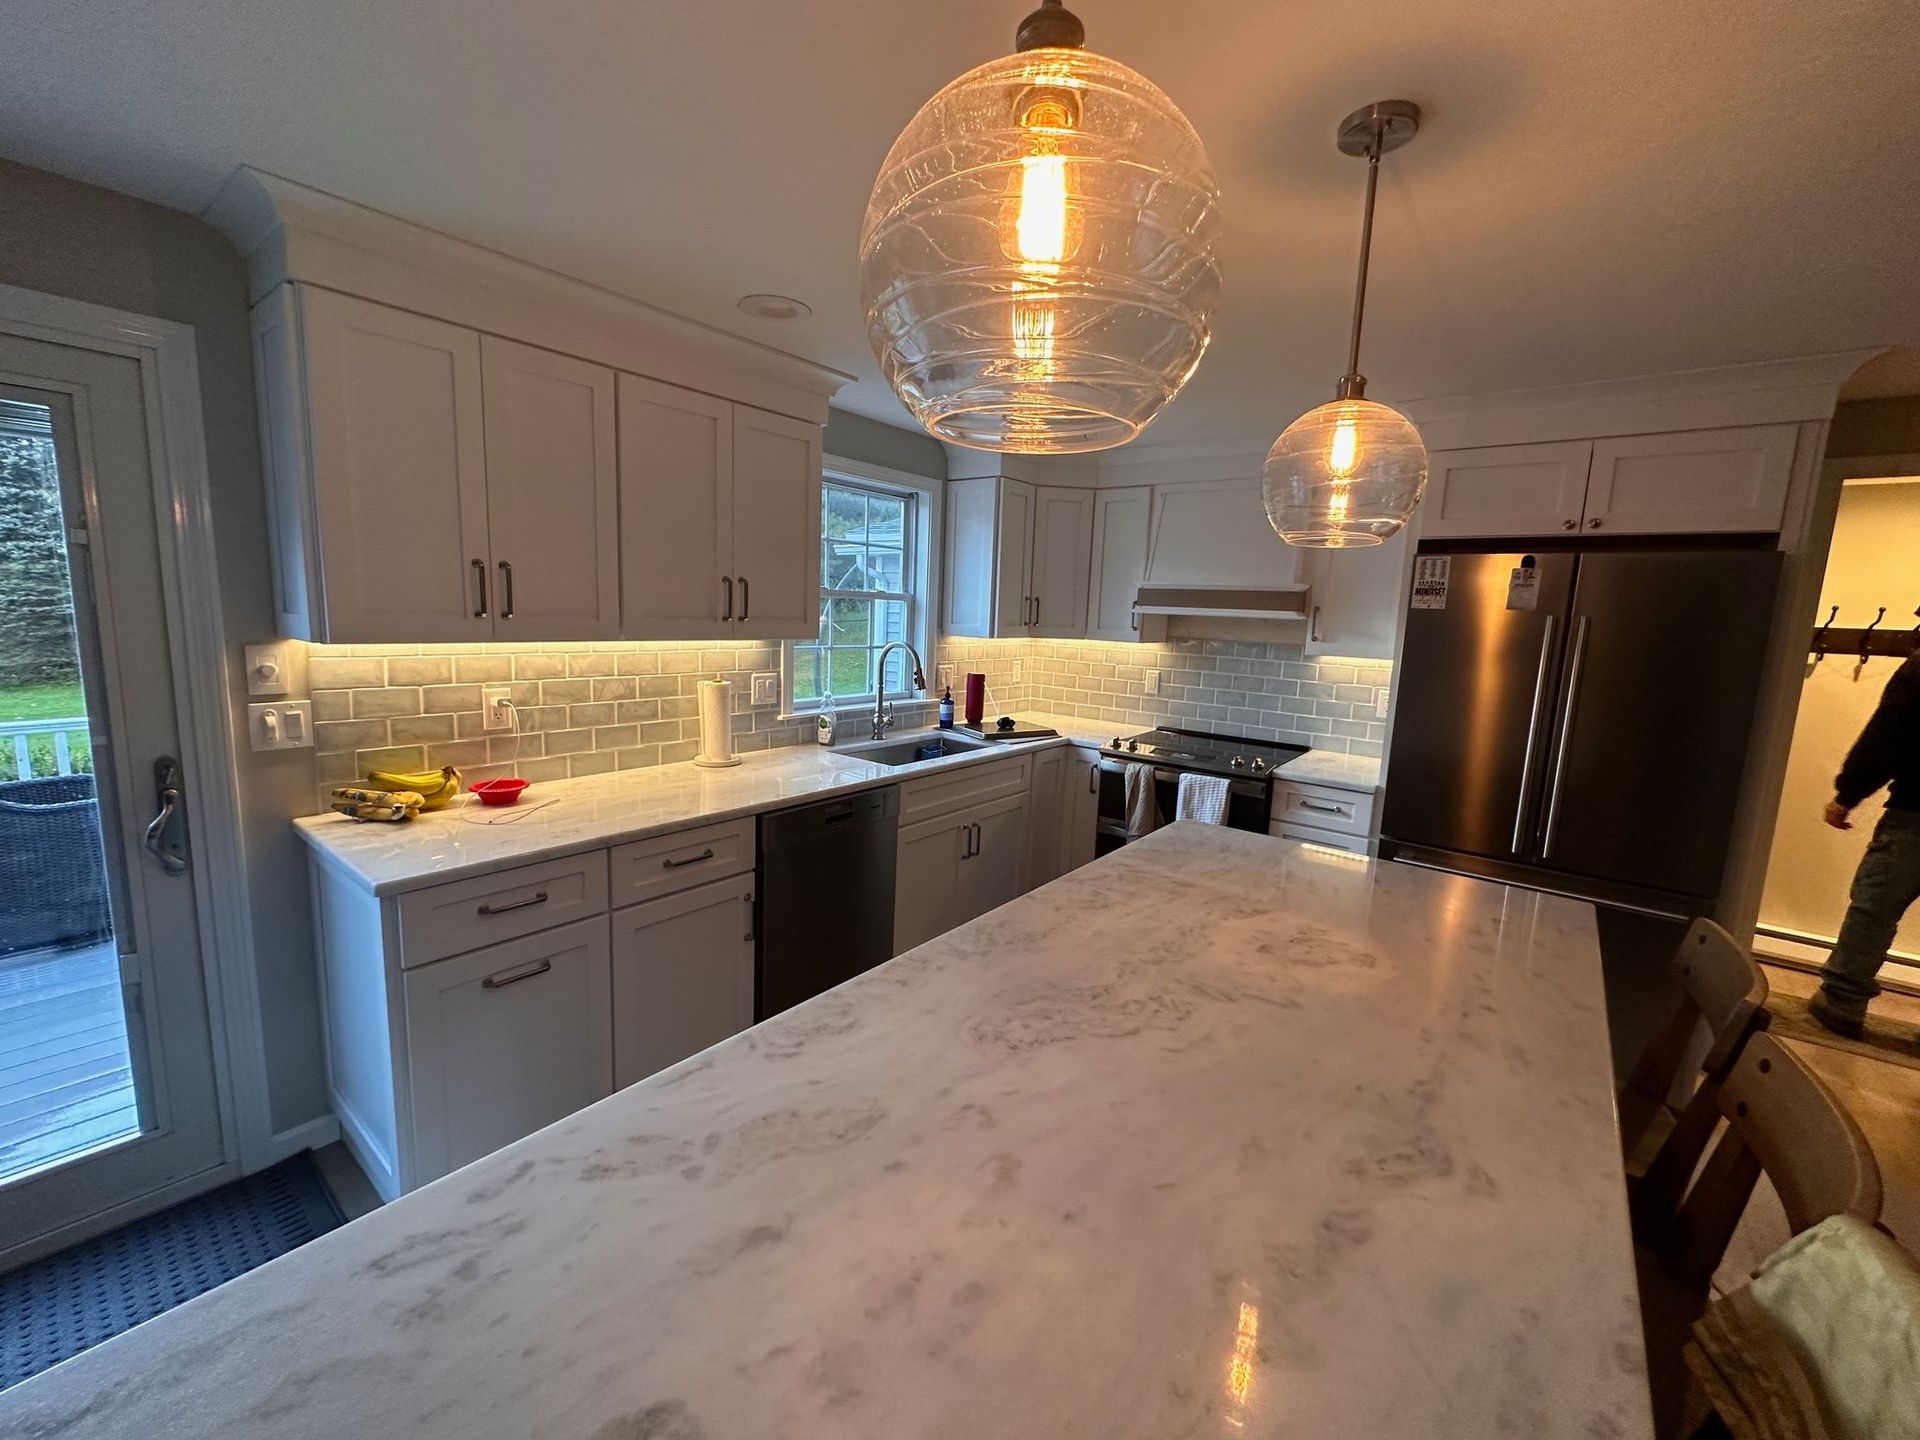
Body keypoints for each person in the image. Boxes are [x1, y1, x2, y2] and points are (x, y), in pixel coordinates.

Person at [1809, 651, 1920, 1037]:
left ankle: (1842, 1000)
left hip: (1916, 812)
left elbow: (1889, 733)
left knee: (1876, 906)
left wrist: (1848, 793)